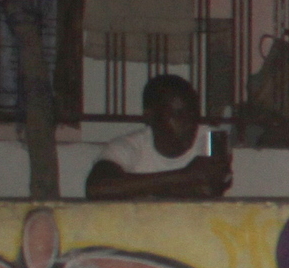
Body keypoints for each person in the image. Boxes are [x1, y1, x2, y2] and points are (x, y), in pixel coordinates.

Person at [86, 74, 230, 199]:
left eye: (193, 113)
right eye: (178, 114)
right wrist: (185, 177)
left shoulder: (210, 139)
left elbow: (210, 188)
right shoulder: (129, 145)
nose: (190, 122)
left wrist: (134, 189)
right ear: (150, 117)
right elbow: (97, 189)